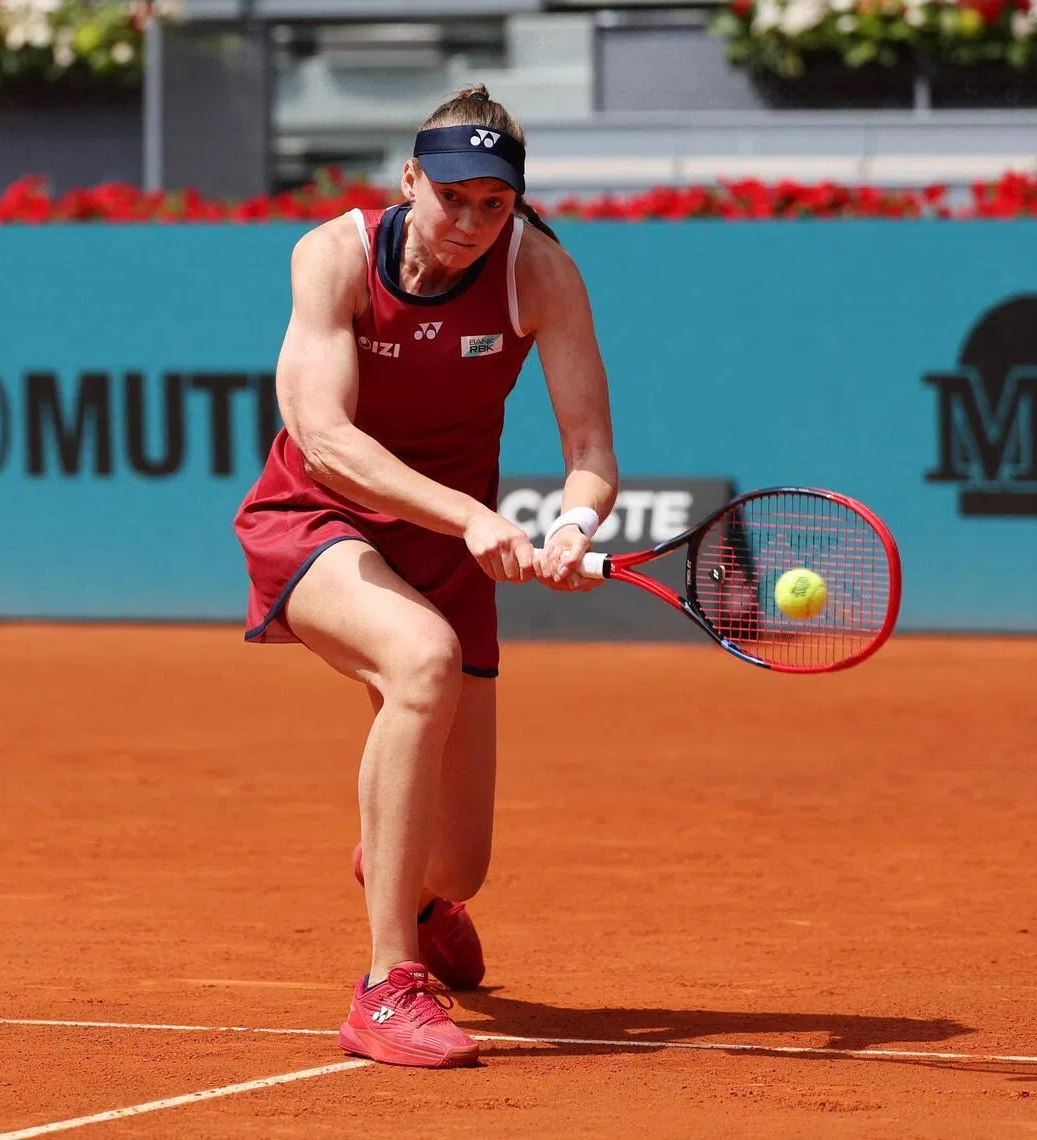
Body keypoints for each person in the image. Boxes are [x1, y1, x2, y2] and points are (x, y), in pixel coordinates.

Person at [233, 85, 619, 1069]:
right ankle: (386, 986)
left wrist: (573, 526)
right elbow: (325, 441)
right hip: (317, 520)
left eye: (495, 205)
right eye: (454, 198)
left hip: (449, 550)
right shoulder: (333, 257)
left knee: (463, 863)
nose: (472, 223)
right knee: (423, 660)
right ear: (410, 181)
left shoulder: (541, 274)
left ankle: (411, 880)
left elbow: (589, 451)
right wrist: (472, 515)